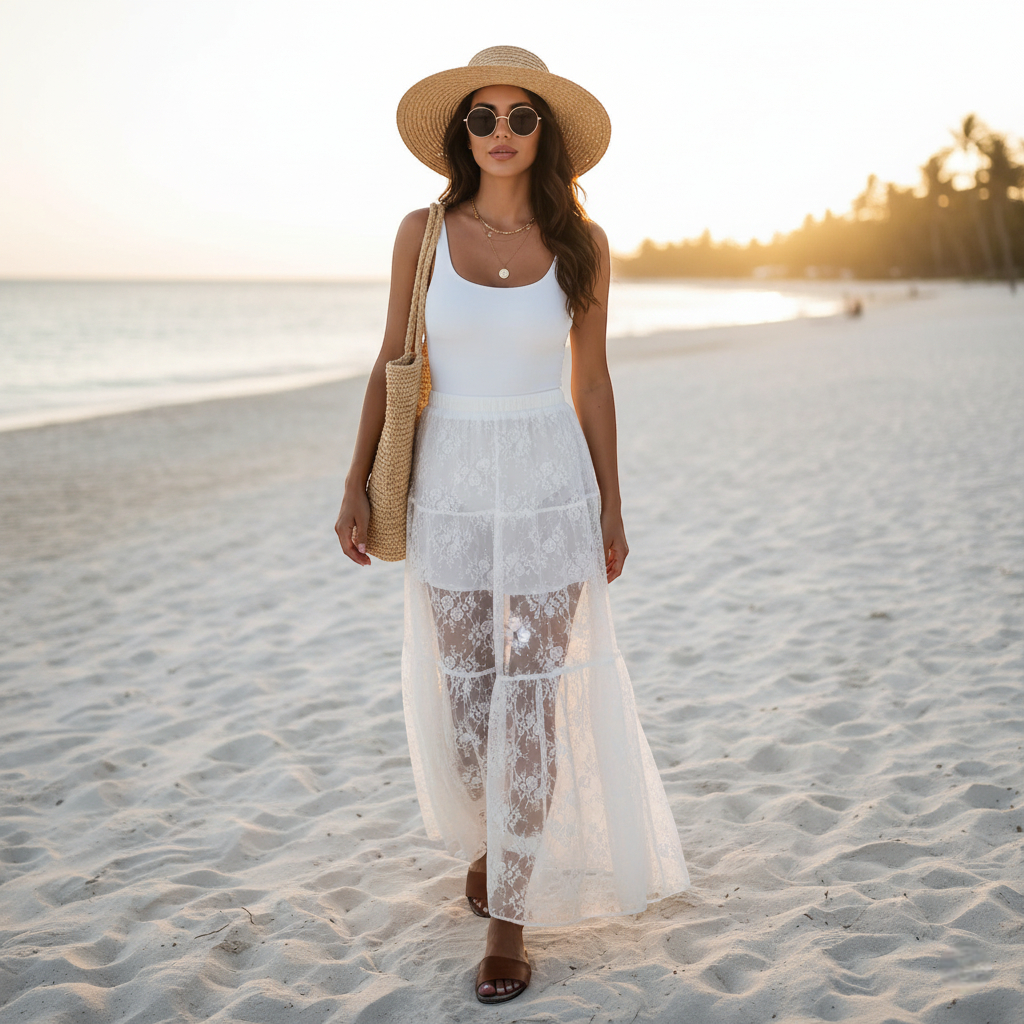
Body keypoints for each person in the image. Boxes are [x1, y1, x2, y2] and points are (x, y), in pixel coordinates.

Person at [335, 45, 690, 1005]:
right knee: (468, 700)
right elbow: (391, 360)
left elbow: (594, 378)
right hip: (445, 480)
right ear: (462, 136)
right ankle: (498, 841)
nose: (499, 133)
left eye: (519, 117)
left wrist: (613, 501)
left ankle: (509, 921)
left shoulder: (583, 242)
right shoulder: (421, 231)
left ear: (546, 135)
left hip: (546, 482)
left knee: (530, 692)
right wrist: (357, 482)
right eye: (482, 118)